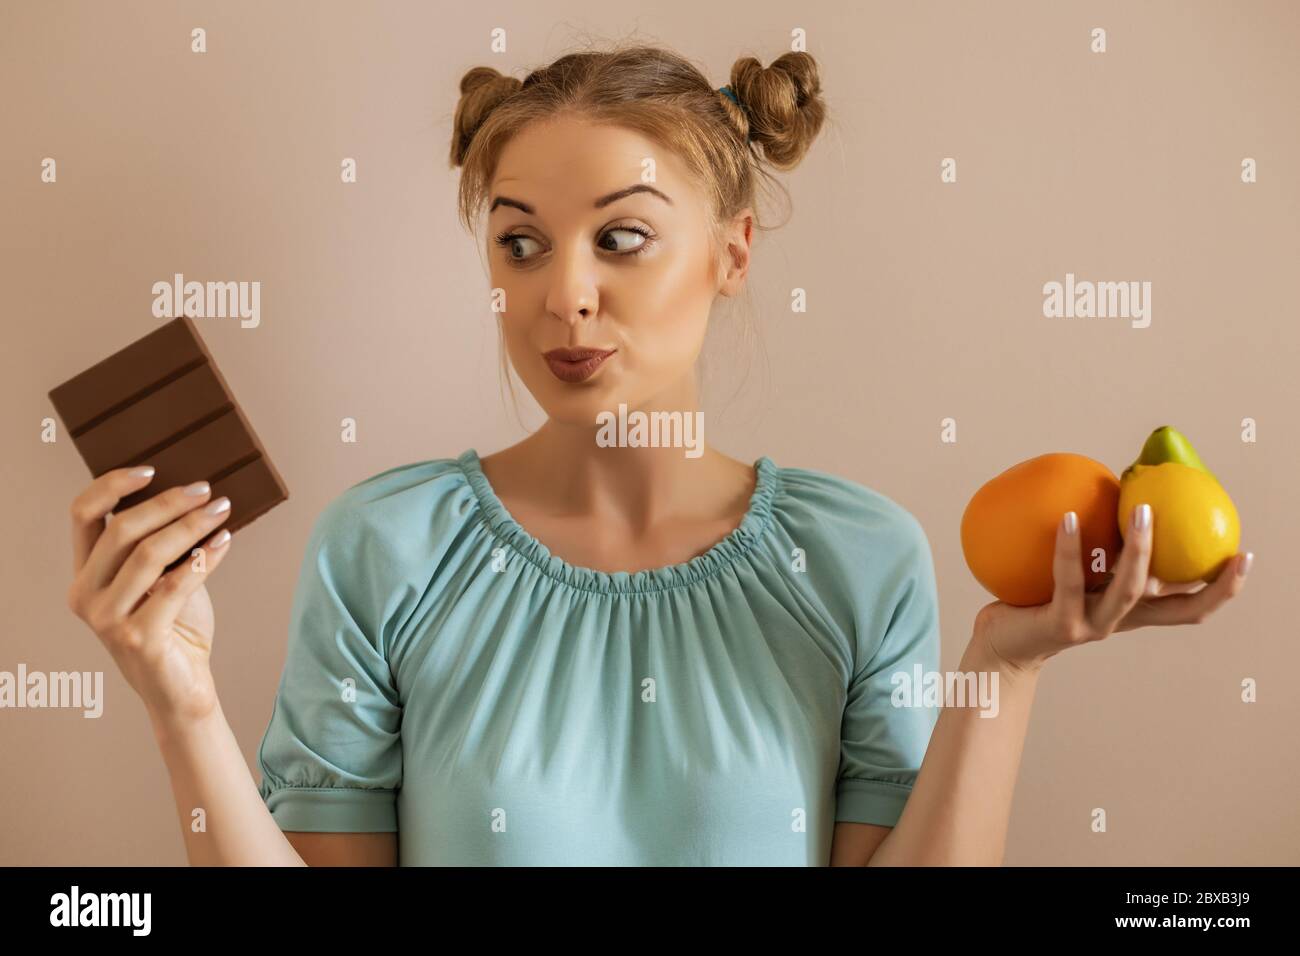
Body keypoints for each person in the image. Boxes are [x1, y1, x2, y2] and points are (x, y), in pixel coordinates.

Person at [64, 44, 1252, 867]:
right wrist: (179, 700)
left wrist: (1000, 668)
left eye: (621, 238)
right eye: (520, 243)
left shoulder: (856, 554)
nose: (562, 296)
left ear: (732, 252)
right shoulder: (383, 548)